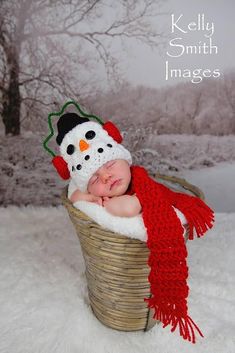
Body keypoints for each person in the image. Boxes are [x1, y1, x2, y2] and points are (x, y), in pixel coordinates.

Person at [69, 159, 142, 217]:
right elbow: (73, 197)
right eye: (95, 180)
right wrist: (92, 197)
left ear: (126, 161)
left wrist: (108, 205)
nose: (106, 177)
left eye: (110, 165)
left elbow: (130, 209)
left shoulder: (141, 182)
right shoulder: (101, 196)